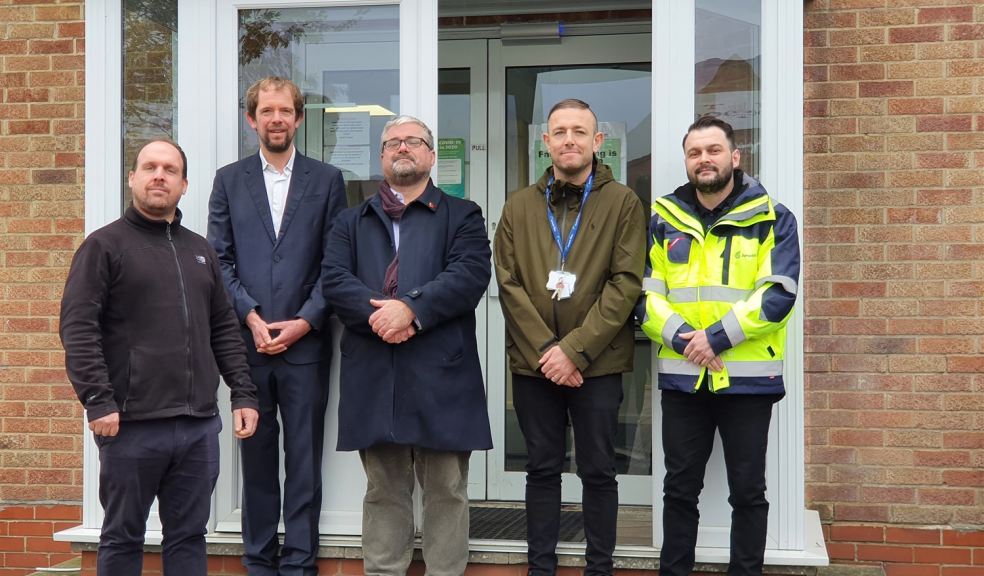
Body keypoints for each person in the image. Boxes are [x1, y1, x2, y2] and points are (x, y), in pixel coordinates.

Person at [59, 139, 260, 576]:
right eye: (149, 167)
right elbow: (78, 328)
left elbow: (224, 329)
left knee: (188, 538)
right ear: (132, 177)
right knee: (122, 536)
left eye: (170, 169)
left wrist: (244, 394)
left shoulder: (200, 251)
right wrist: (98, 400)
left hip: (197, 427)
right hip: (130, 425)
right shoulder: (104, 246)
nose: (159, 175)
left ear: (184, 185)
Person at [323, 115, 492, 576]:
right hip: (375, 374)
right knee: (383, 490)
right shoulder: (350, 221)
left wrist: (411, 310)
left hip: (443, 376)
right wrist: (382, 316)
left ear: (431, 155)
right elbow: (334, 280)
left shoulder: (464, 215)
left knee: (446, 490)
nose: (402, 148)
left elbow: (469, 275)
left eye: (413, 141)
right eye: (392, 142)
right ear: (381, 157)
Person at [640, 115, 800, 576]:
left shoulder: (773, 216)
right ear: (687, 161)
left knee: (747, 491)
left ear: (735, 157)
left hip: (748, 381)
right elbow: (647, 296)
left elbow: (779, 295)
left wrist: (714, 339)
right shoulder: (663, 218)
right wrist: (683, 339)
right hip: (684, 378)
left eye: (712, 150)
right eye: (694, 153)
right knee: (679, 490)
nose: (703, 160)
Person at [493, 98, 646, 576]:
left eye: (580, 132)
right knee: (541, 470)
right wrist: (547, 351)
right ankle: (542, 567)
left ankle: (599, 567)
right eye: (560, 132)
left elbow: (625, 284)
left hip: (595, 366)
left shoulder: (623, 202)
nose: (570, 141)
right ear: (546, 143)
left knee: (598, 472)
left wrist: (574, 351)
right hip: (535, 365)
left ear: (597, 142)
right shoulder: (518, 205)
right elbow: (508, 282)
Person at [207, 76, 346, 576]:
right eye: (266, 111)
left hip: (306, 346)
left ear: (299, 118)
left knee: (305, 461)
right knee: (257, 462)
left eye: (285, 111)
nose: (276, 119)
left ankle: (301, 565)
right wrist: (250, 315)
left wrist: (306, 321)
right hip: (247, 345)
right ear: (252, 120)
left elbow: (336, 264)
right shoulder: (228, 180)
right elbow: (217, 260)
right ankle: (259, 563)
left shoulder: (328, 181)